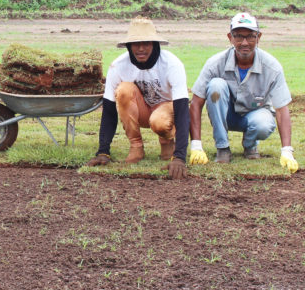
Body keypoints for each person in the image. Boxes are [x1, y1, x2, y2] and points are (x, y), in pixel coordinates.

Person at [189, 12, 299, 173]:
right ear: (230, 37)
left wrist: (287, 151)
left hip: (254, 116)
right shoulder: (215, 63)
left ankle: (249, 145)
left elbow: (282, 109)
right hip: (225, 115)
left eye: (251, 36)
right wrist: (196, 146)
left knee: (264, 124)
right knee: (216, 86)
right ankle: (223, 148)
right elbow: (196, 103)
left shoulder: (272, 67)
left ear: (259, 37)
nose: (245, 42)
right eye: (239, 36)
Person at [87, 16, 190, 179]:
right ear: (128, 46)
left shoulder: (172, 64)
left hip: (166, 112)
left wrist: (180, 157)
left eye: (146, 43)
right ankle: (136, 146)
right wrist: (103, 151)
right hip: (141, 110)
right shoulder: (118, 66)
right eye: (136, 44)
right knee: (123, 90)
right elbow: (108, 111)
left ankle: (167, 141)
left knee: (159, 120)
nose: (141, 49)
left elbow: (183, 109)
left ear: (155, 44)